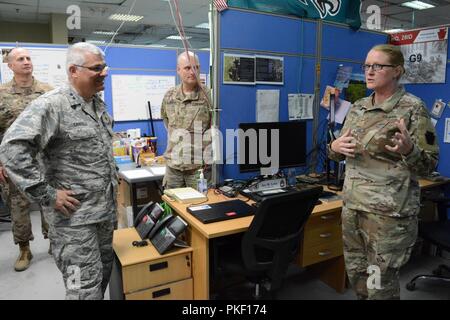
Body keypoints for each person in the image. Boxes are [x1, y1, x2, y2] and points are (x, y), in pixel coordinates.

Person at [0, 42, 117, 300]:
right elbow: (11, 149)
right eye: (97, 68)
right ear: (74, 70)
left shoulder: (97, 104)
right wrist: (48, 195)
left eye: (104, 67)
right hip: (73, 223)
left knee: (100, 280)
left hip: (102, 217)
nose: (104, 72)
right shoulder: (52, 105)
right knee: (82, 290)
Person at [328, 44, 439, 300]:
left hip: (387, 217)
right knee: (359, 279)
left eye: (377, 66)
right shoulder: (358, 107)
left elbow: (429, 164)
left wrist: (409, 150)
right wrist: (334, 147)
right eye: (367, 66)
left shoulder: (413, 109)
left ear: (397, 71)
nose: (369, 71)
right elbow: (339, 151)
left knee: (380, 286)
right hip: (353, 208)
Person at [0, 48, 53, 272]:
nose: (26, 62)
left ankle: (54, 240)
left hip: (45, 158)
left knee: (49, 200)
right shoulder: (1, 94)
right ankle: (24, 248)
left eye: (29, 58)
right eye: (20, 59)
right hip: (14, 160)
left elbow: (56, 125)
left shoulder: (47, 92)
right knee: (17, 205)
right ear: (9, 65)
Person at [161, 51, 212, 189]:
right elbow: (167, 122)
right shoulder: (169, 96)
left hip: (198, 169)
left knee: (199, 208)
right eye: (187, 68)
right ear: (178, 70)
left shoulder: (208, 97)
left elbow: (214, 127)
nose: (192, 72)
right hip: (173, 168)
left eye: (195, 67)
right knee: (172, 208)